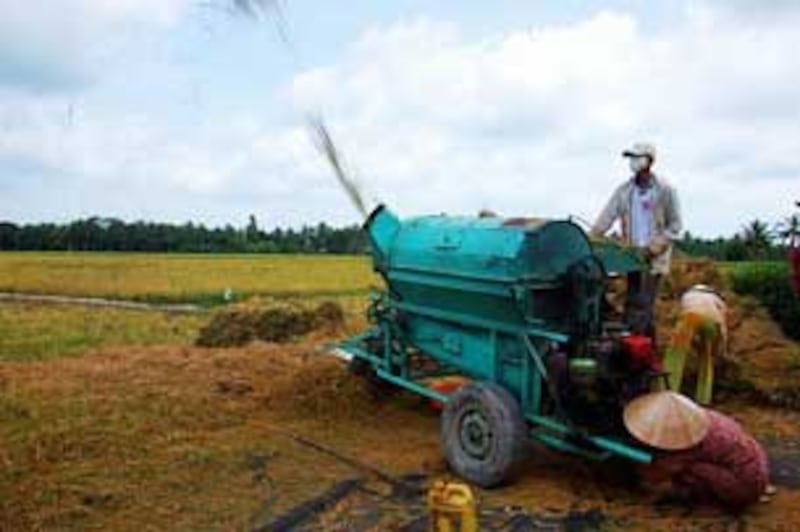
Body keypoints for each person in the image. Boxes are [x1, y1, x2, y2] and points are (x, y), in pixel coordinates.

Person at [624, 391, 775, 510]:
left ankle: (714, 503)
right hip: (756, 470)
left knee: (686, 471)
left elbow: (658, 474)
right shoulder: (706, 418)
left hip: (744, 485)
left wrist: (637, 467)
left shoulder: (690, 443)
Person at [591, 142, 682, 342]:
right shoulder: (625, 191)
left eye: (637, 158)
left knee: (644, 305)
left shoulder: (665, 190)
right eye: (631, 158)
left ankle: (638, 347)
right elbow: (607, 216)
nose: (633, 162)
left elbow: (675, 226)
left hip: (653, 257)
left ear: (649, 161)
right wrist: (592, 238)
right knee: (632, 303)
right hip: (632, 255)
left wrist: (655, 248)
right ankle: (641, 348)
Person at [662, 285, 727, 405]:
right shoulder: (718, 300)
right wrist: (722, 346)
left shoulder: (687, 296)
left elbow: (680, 315)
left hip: (689, 317)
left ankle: (668, 391)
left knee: (676, 354)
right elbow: (722, 326)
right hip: (711, 322)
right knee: (707, 358)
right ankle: (703, 398)